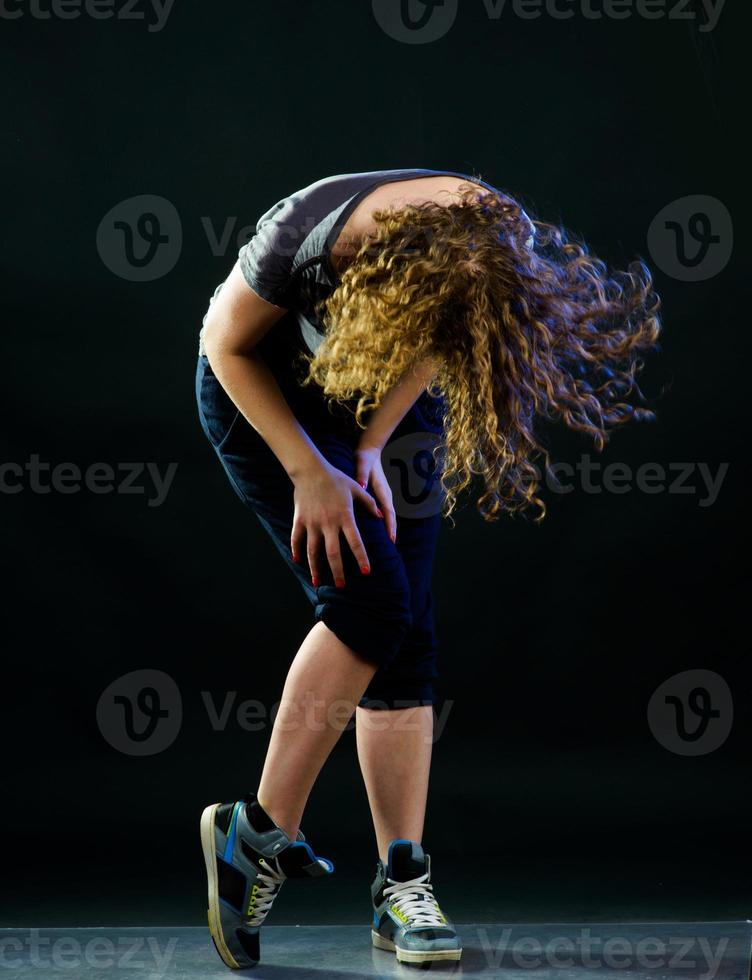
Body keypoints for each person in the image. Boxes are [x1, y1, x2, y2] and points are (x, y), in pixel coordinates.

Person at [195, 168, 661, 969]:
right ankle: (257, 835)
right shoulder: (307, 238)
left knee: (405, 631)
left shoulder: (491, 239)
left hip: (379, 402)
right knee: (370, 606)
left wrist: (371, 443)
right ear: (392, 270)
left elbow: (443, 336)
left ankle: (400, 882)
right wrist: (312, 472)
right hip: (265, 395)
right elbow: (223, 344)